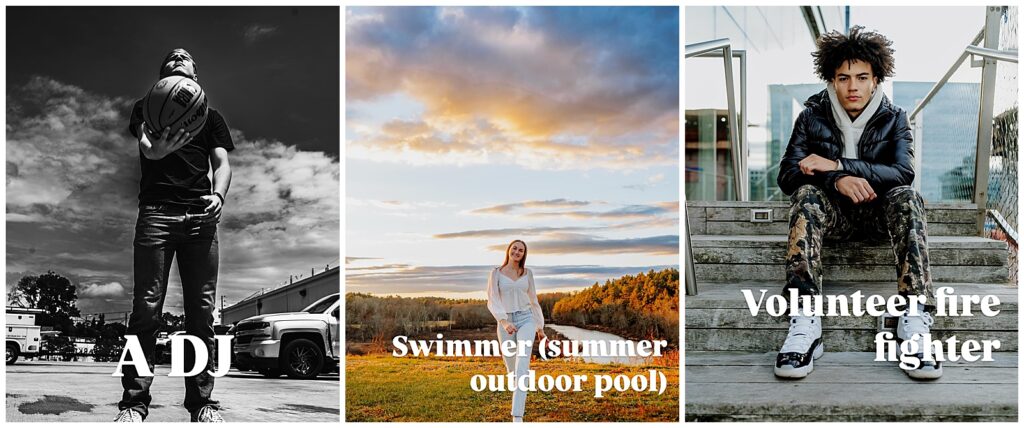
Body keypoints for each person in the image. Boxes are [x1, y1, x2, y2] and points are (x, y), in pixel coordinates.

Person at [774, 27, 940, 380]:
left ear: (876, 78)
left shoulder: (895, 118)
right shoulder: (810, 117)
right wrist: (837, 181)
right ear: (831, 80)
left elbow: (902, 173)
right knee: (805, 194)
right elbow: (789, 175)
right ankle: (805, 321)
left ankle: (913, 319)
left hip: (881, 216)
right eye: (844, 78)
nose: (853, 87)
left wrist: (836, 164)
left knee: (909, 197)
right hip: (833, 217)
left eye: (862, 77)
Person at [115, 48, 233, 422]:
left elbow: (222, 163)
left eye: (185, 57)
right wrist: (156, 150)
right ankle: (134, 404)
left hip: (201, 217)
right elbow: (147, 148)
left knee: (201, 314)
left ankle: (201, 404)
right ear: (164, 73)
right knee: (146, 310)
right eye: (172, 57)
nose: (179, 56)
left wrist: (218, 195)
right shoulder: (148, 105)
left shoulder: (210, 116)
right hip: (156, 214)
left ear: (195, 75)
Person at [486, 240, 546, 422]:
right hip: (506, 321)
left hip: (526, 318)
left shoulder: (527, 273)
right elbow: (492, 299)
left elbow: (533, 299)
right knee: (511, 367)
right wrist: (504, 321)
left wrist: (540, 327)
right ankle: (518, 388)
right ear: (509, 250)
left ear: (524, 254)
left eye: (521, 250)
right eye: (515, 248)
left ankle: (517, 415)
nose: (517, 252)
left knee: (522, 364)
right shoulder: (496, 273)